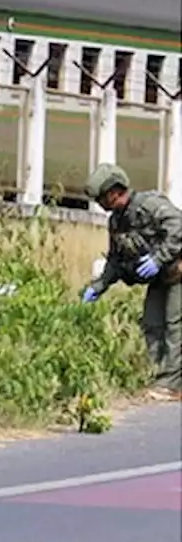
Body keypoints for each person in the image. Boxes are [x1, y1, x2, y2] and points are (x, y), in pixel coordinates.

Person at [81, 163, 182, 402]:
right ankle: (160, 375)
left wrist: (158, 259)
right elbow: (115, 261)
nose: (100, 204)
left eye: (101, 198)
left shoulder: (150, 205)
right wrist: (97, 287)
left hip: (177, 270)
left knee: (174, 323)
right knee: (152, 322)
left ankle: (171, 384)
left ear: (114, 192)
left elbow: (179, 227)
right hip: (162, 276)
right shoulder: (117, 222)